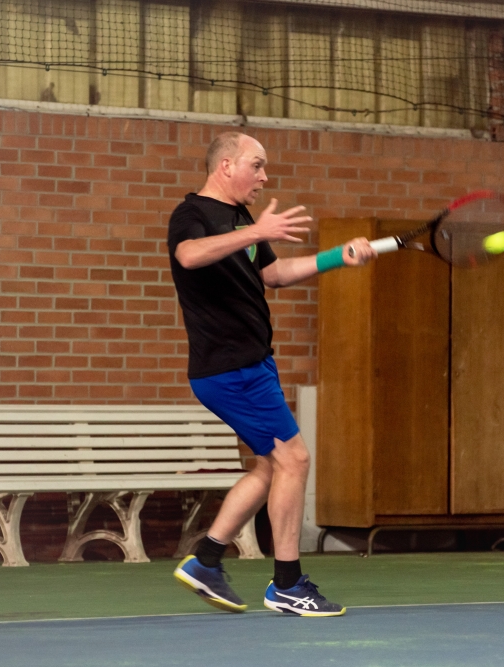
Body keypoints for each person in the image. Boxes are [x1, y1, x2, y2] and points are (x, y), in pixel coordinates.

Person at [168, 131, 375, 617]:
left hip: (252, 363)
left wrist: (337, 257)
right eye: (256, 165)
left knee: (270, 467)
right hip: (231, 366)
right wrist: (256, 232)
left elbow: (273, 276)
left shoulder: (241, 219)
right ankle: (287, 584)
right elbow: (189, 255)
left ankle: (206, 561)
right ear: (226, 166)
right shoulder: (192, 214)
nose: (264, 177)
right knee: (295, 460)